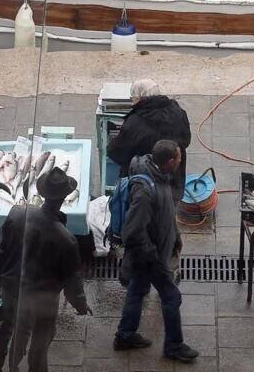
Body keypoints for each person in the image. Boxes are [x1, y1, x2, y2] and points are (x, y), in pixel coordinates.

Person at [0, 169, 91, 372]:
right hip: (42, 300)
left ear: (43, 193)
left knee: (8, 330)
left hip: (12, 287)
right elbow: (72, 281)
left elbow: (0, 250)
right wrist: (80, 304)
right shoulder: (67, 240)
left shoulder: (17, 213)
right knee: (40, 343)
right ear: (64, 198)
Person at [114, 140, 198, 363]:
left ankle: (125, 335)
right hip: (150, 257)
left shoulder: (161, 177)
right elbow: (132, 231)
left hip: (152, 254)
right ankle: (174, 346)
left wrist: (175, 236)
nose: (181, 161)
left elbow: (165, 214)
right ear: (170, 161)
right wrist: (152, 257)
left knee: (136, 290)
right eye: (179, 158)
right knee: (172, 297)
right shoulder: (145, 192)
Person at [106, 79, 192, 200]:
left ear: (140, 98)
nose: (132, 102)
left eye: (133, 98)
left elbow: (117, 153)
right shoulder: (179, 113)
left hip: (144, 187)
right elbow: (186, 141)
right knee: (169, 212)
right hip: (173, 180)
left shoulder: (134, 123)